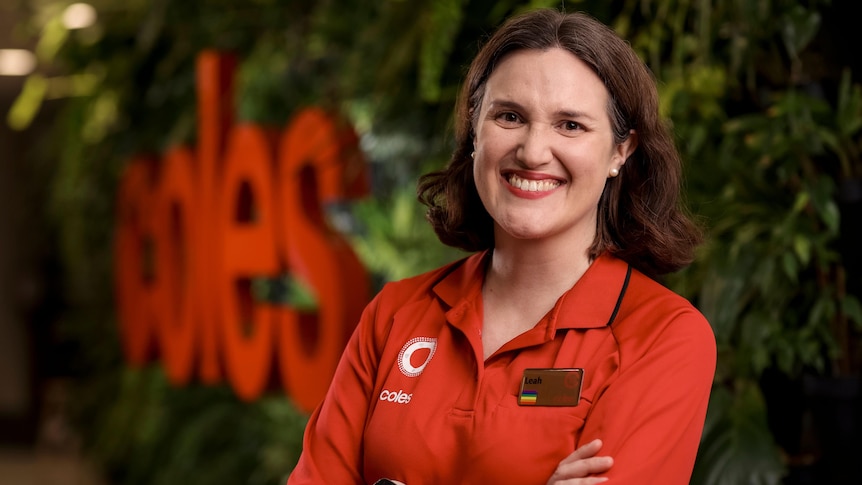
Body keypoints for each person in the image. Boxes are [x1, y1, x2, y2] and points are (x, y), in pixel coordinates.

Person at [287, 8, 715, 485]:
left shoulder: (662, 338)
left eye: (570, 125)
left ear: (621, 151)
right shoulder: (393, 316)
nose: (533, 152)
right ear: (475, 130)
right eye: (510, 116)